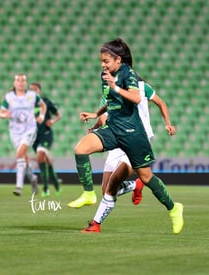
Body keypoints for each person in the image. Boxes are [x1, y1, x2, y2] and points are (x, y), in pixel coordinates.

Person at [68, 38, 184, 234]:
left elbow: (136, 97)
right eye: (101, 61)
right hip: (113, 129)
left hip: (133, 134)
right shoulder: (106, 75)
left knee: (146, 177)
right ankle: (88, 194)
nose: (103, 65)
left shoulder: (128, 74)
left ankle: (174, 208)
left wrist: (115, 86)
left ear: (118, 59)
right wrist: (96, 114)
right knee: (80, 149)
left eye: (106, 61)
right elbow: (111, 100)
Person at [82, 78, 176, 233]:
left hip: (136, 139)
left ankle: (95, 224)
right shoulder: (109, 89)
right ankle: (135, 185)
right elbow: (104, 117)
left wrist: (168, 123)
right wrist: (94, 128)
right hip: (116, 138)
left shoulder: (141, 87)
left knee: (114, 183)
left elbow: (161, 103)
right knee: (106, 189)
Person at [0, 74, 46, 196]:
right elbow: (1, 113)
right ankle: (33, 179)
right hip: (15, 131)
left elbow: (43, 105)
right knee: (23, 157)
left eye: (23, 80)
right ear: (14, 83)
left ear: (25, 83)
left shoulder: (32, 95)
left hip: (29, 129)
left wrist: (41, 116)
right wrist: (5, 115)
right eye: (18, 80)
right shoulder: (9, 97)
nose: (20, 82)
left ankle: (19, 186)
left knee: (19, 154)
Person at [29, 82, 62, 197]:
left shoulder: (46, 102)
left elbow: (58, 114)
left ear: (39, 91)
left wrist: (52, 121)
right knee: (46, 160)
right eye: (30, 90)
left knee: (40, 157)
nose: (32, 92)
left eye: (34, 89)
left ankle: (45, 188)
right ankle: (56, 183)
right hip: (34, 137)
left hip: (46, 134)